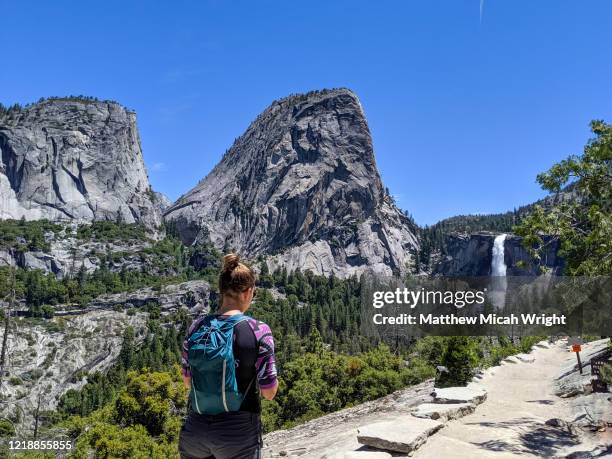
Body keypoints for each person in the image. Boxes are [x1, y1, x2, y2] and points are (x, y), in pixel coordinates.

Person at [179, 254, 278, 459]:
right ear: (248, 292)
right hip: (237, 432)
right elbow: (269, 392)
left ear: (222, 291)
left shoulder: (196, 327)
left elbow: (187, 381)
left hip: (195, 430)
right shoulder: (258, 330)